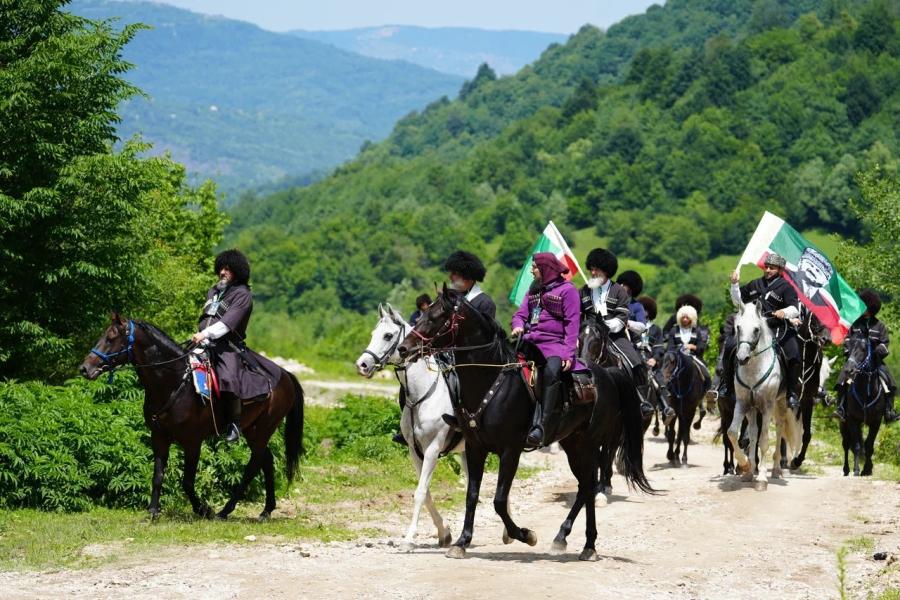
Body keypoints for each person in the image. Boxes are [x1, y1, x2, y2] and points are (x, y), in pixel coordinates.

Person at [192, 249, 282, 443]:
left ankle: (234, 424)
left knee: (228, 379)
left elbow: (226, 324)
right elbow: (208, 318)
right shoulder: (214, 291)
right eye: (221, 268)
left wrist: (204, 334)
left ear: (238, 271)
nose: (222, 272)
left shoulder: (243, 295)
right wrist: (202, 336)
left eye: (228, 269)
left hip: (228, 347)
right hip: (204, 343)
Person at [511, 253, 582, 447]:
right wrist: (518, 325)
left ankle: (542, 425)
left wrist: (568, 354)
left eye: (534, 266)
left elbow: (572, 324)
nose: (531, 270)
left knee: (551, 372)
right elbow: (520, 314)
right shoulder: (533, 288)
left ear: (545, 269)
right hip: (529, 341)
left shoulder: (568, 290)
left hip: (554, 345)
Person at [579, 248, 654, 417]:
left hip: (614, 335)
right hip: (588, 335)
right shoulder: (583, 291)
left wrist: (606, 325)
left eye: (597, 269)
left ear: (606, 271)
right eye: (591, 269)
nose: (592, 272)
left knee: (634, 361)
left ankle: (641, 399)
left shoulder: (619, 291)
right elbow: (576, 316)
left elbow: (621, 318)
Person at [728, 253, 801, 410]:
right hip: (753, 330)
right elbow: (737, 302)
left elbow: (795, 309)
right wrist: (734, 285)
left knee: (794, 354)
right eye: (766, 267)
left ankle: (791, 393)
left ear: (780, 270)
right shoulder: (755, 284)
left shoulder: (786, 287)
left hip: (777, 328)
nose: (767, 270)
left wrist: (784, 312)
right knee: (729, 347)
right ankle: (725, 386)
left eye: (772, 268)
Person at [832, 289, 899, 423]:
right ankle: (841, 408)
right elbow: (847, 340)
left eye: (864, 306)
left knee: (890, 382)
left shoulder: (880, 326)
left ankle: (889, 411)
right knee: (842, 378)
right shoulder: (855, 324)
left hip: (875, 361)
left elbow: (885, 343)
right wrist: (850, 352)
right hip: (855, 360)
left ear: (871, 308)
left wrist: (877, 351)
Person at [637, 295, 676, 423]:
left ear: (649, 312)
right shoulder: (631, 327)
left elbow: (659, 348)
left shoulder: (656, 329)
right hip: (635, 360)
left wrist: (654, 359)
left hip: (650, 362)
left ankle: (666, 409)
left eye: (644, 310)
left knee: (659, 382)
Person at [664, 304, 712, 394]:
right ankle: (666, 392)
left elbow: (701, 346)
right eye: (683, 317)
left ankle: (708, 392)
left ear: (692, 318)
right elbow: (670, 347)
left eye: (687, 317)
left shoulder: (696, 331)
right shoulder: (674, 330)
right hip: (676, 357)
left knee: (706, 373)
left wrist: (692, 346)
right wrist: (679, 348)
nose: (685, 319)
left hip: (693, 357)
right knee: (665, 373)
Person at [443, 250, 496, 321]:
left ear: (468, 276)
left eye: (454, 273)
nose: (450, 277)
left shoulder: (485, 303)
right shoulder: (449, 299)